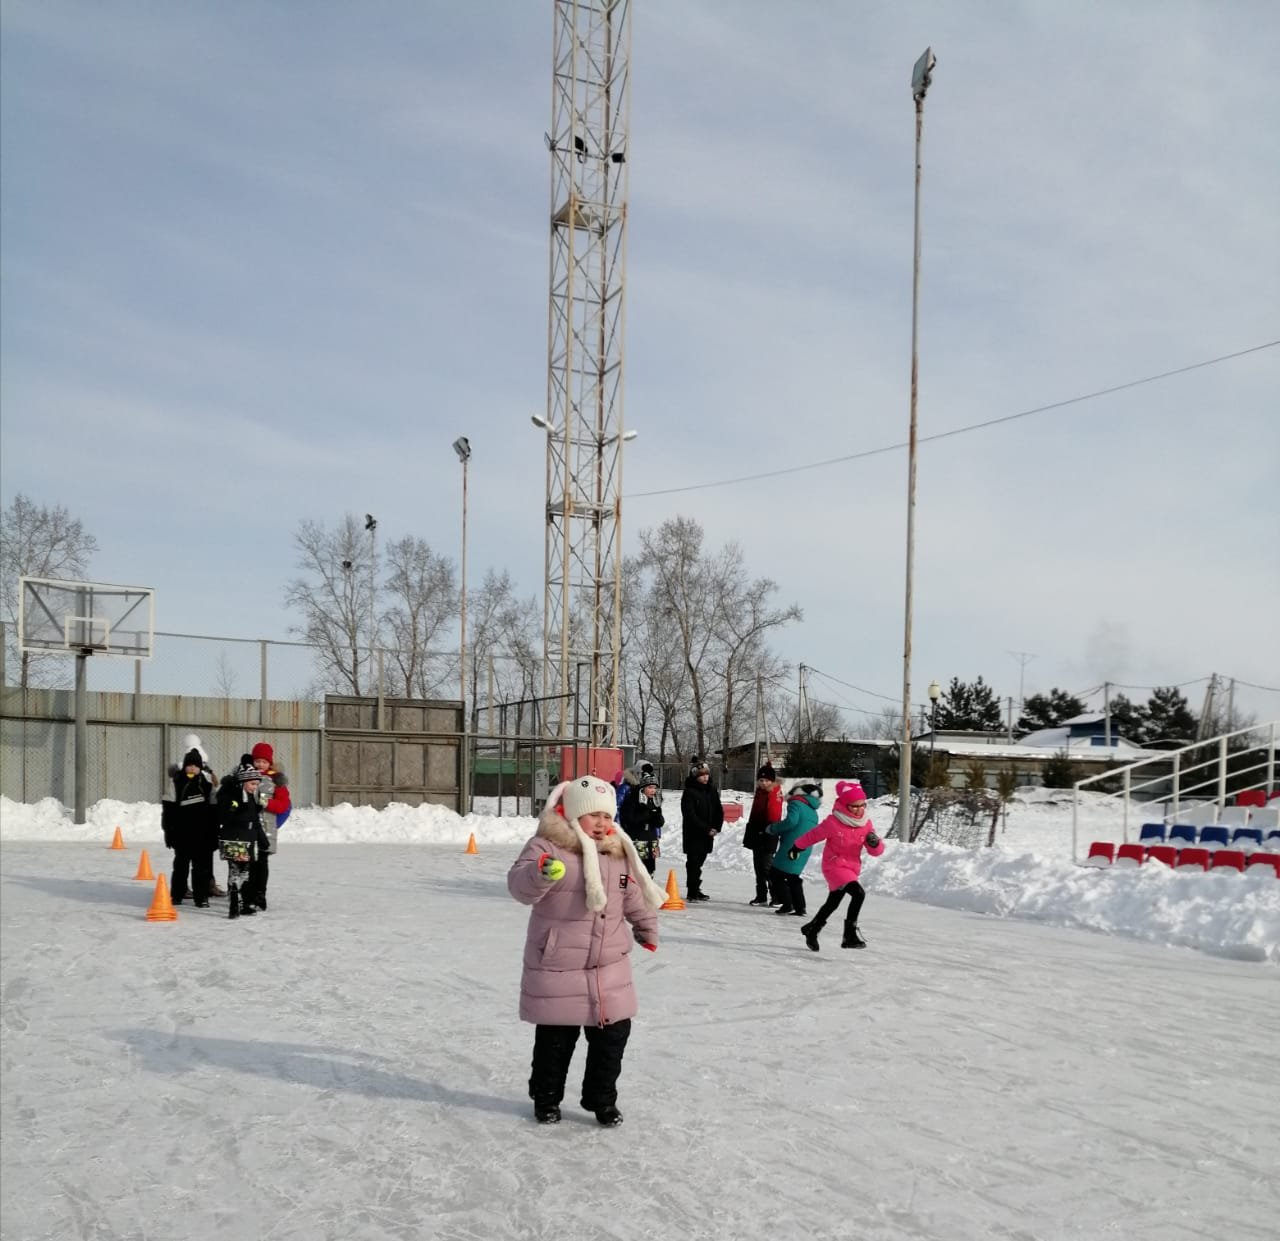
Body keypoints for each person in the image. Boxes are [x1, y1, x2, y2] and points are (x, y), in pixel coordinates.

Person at [507, 775, 666, 1126]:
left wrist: (646, 926)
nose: (602, 823)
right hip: (559, 963)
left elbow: (632, 895)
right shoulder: (548, 846)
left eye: (607, 816)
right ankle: (546, 1098)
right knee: (556, 1040)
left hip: (609, 964)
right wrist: (542, 873)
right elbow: (519, 886)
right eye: (594, 815)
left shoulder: (617, 851)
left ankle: (601, 1099)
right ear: (572, 813)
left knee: (613, 1037)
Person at [791, 780, 884, 952]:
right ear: (843, 805)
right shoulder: (833, 822)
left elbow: (876, 852)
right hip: (834, 866)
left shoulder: (865, 823)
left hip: (851, 868)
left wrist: (875, 843)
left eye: (862, 805)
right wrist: (797, 846)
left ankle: (812, 928)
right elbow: (813, 835)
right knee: (858, 894)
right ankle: (849, 934)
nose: (859, 809)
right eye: (854, 806)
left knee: (832, 903)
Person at [161, 745, 217, 907]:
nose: (192, 768)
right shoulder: (176, 783)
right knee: (180, 866)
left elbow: (214, 811)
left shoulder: (207, 785)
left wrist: (214, 833)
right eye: (189, 765)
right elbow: (168, 811)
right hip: (182, 834)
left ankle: (201, 897)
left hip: (202, 834)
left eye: (195, 765)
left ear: (200, 768)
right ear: (185, 766)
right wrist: (169, 833)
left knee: (201, 867)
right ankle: (177, 895)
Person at [216, 757, 271, 920]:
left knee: (246, 872)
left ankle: (245, 903)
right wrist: (235, 808)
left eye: (256, 784)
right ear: (243, 783)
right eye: (252, 784)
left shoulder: (253, 799)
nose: (255, 787)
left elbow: (255, 821)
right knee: (235, 871)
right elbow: (223, 817)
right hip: (233, 839)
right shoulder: (232, 797)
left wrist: (262, 839)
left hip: (248, 839)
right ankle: (234, 901)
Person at [246, 741, 290, 911]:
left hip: (266, 829)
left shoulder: (276, 780)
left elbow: (282, 805)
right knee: (248, 862)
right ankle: (247, 894)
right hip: (248, 827)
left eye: (264, 762)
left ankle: (260, 895)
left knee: (261, 862)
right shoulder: (246, 776)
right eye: (257, 761)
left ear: (269, 763)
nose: (260, 765)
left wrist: (264, 802)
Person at [767, 782, 822, 916]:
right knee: (792, 877)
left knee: (775, 874)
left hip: (791, 846)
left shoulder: (796, 804)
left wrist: (774, 828)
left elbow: (791, 821)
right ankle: (799, 907)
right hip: (804, 847)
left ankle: (787, 904)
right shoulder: (813, 811)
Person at [680, 758, 724, 901]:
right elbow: (689, 815)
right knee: (693, 862)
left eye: (706, 774)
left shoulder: (711, 790)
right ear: (695, 776)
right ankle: (692, 890)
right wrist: (706, 829)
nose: (705, 777)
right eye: (701, 775)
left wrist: (717, 827)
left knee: (700, 861)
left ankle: (696, 888)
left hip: (708, 834)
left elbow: (718, 810)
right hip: (694, 834)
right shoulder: (689, 792)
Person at [741, 763, 784, 905]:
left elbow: (773, 815)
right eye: (761, 780)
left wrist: (766, 829)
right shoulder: (759, 792)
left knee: (767, 867)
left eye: (766, 780)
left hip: (768, 833)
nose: (763, 783)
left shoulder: (774, 793)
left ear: (772, 781)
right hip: (756, 832)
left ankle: (776, 896)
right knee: (758, 867)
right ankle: (761, 896)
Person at [618, 770, 664, 875]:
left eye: (654, 788)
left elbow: (659, 822)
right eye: (650, 787)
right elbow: (630, 820)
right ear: (643, 788)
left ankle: (648, 885)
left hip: (651, 839)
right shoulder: (633, 800)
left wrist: (657, 816)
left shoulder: (654, 801)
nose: (653, 790)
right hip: (637, 839)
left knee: (650, 869)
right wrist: (646, 813)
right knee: (637, 869)